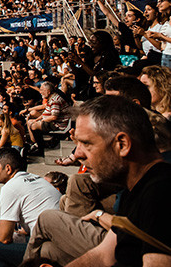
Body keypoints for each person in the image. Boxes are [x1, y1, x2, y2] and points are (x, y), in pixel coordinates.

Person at [65, 95, 171, 266]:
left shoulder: (160, 194)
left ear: (122, 144)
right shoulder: (135, 188)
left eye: (86, 143)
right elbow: (102, 256)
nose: (77, 154)